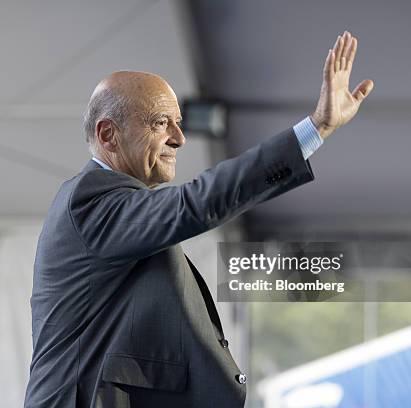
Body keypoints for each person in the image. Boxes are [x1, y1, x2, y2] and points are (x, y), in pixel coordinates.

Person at [24, 31, 374, 407]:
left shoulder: (114, 210)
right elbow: (198, 202)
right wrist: (315, 129)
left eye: (178, 123)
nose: (179, 138)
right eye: (161, 123)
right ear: (108, 134)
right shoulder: (90, 202)